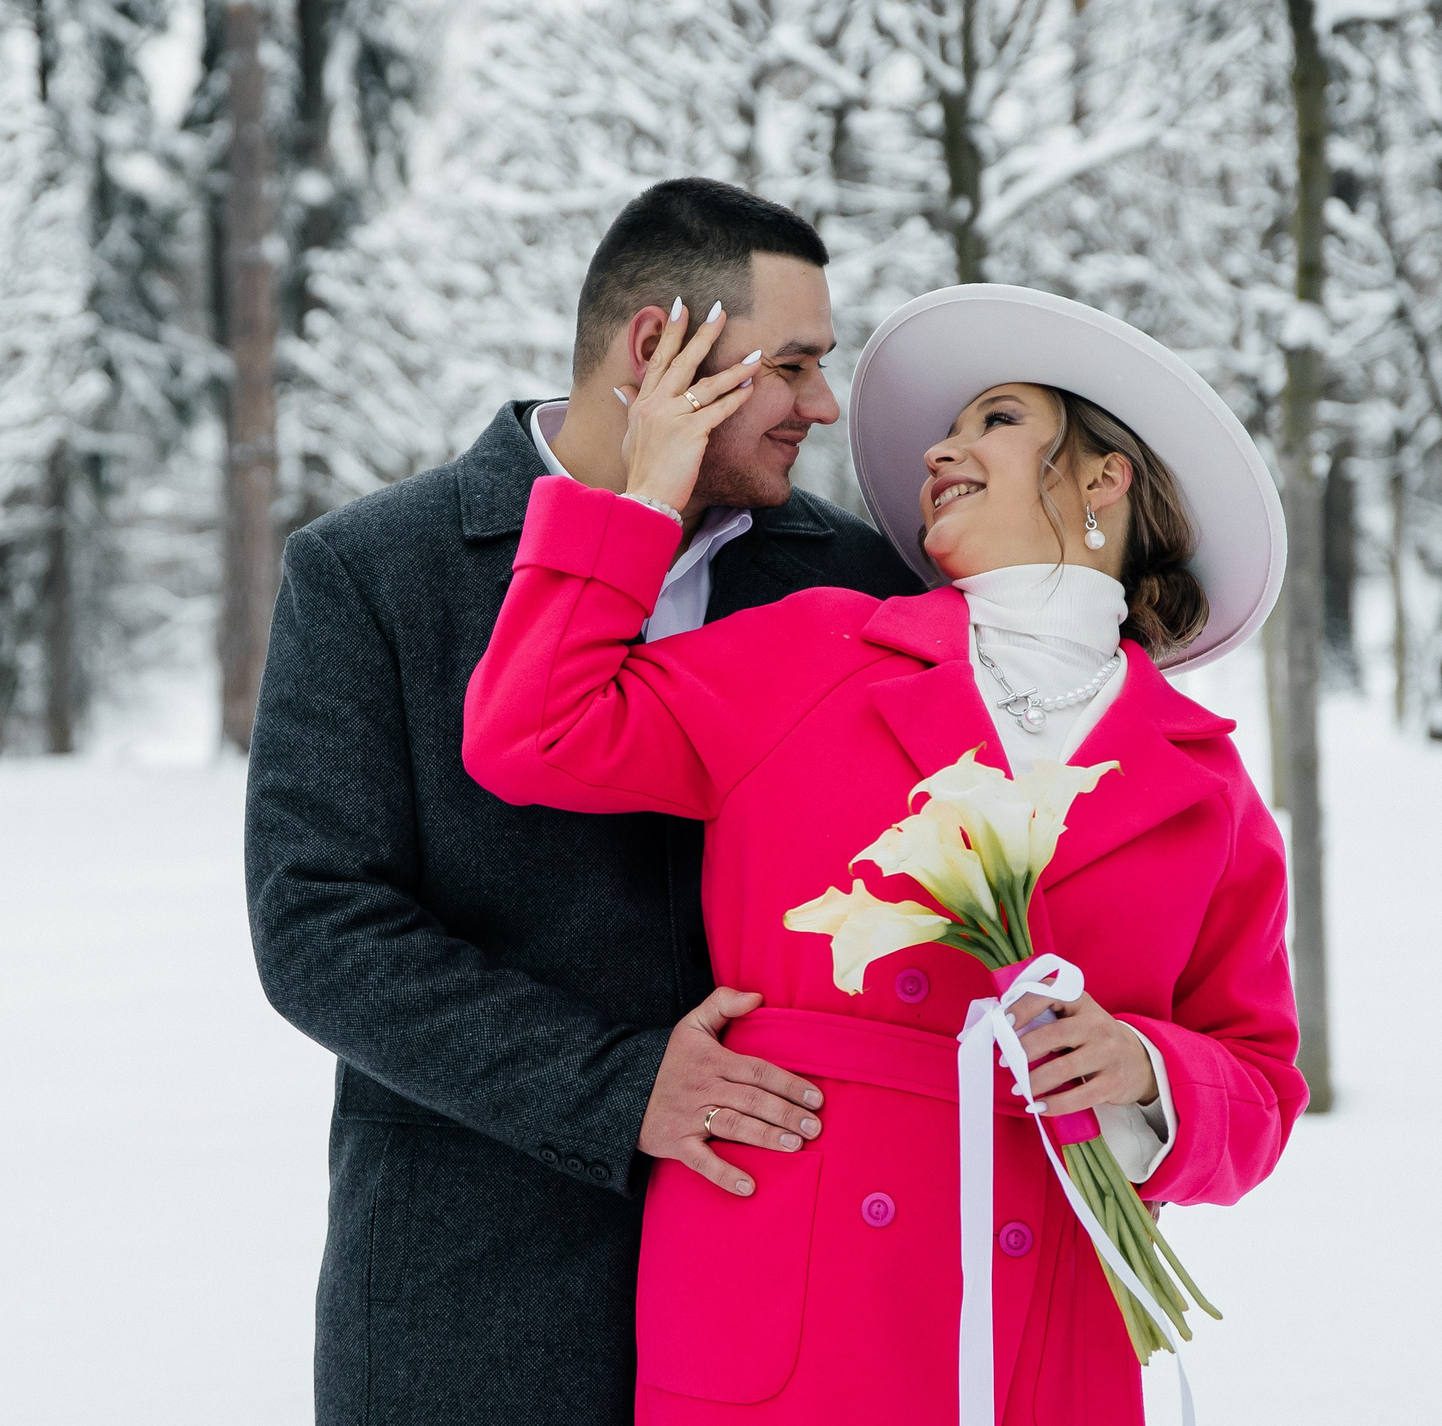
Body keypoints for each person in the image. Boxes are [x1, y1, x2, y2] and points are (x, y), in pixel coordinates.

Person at [462, 282, 1305, 1425]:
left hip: (1047, 1317)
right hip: (793, 1292)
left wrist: (1144, 1070)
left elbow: (1257, 1084)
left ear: (1103, 476)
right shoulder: (816, 653)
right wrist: (642, 493)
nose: (940, 450)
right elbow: (530, 729)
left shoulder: (1205, 783)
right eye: (944, 432)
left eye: (996, 419)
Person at [243, 179, 924, 1426]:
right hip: (474, 1296)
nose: (822, 405)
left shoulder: (860, 580)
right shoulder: (368, 571)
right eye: (791, 365)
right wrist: (617, 1084)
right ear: (655, 348)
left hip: (791, 1279)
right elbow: (318, 928)